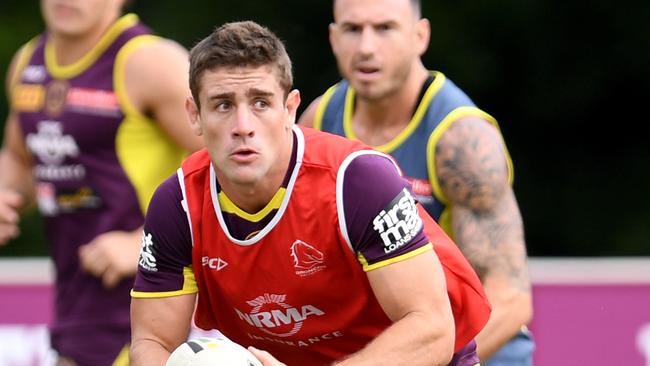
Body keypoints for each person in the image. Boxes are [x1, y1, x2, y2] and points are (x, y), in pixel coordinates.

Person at [130, 20, 491, 366]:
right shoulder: (177, 205)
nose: (243, 127)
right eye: (223, 104)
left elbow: (432, 330)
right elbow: (154, 342)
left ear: (290, 109)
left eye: (260, 103)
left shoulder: (356, 181)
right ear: (194, 115)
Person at [298, 0, 534, 364]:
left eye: (385, 28)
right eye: (352, 29)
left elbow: (511, 300)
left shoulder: (462, 139)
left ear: (420, 36)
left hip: (474, 353)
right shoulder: (318, 120)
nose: (366, 47)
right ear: (333, 37)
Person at [0, 0, 202, 364]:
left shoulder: (150, 63)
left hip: (150, 300)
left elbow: (239, 166)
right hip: (76, 297)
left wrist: (144, 243)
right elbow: (19, 157)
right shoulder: (27, 62)